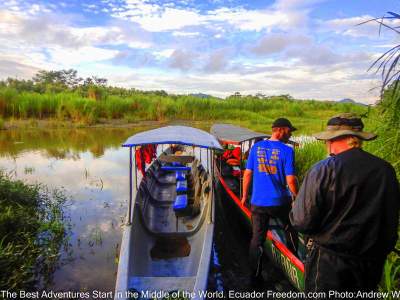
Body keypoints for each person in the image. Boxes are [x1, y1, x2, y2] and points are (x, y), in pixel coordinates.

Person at [290, 113, 400, 293]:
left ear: (334, 140)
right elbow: (390, 222)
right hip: (371, 265)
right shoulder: (385, 170)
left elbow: (302, 222)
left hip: (330, 266)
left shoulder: (323, 169)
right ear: (358, 139)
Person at [241, 118, 299, 284]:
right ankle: (293, 258)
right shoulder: (287, 151)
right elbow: (291, 180)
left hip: (258, 202)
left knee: (257, 239)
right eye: (289, 131)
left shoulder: (256, 148)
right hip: (280, 202)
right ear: (280, 130)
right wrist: (297, 196)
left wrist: (245, 195)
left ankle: (255, 276)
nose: (291, 134)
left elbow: (247, 174)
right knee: (291, 227)